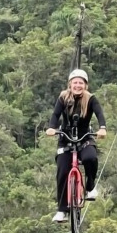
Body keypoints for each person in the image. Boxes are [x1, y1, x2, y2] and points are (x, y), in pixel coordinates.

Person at [46, 68, 107, 223]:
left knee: (90, 158)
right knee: (62, 171)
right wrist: (52, 127)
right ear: (70, 84)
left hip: (85, 137)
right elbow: (55, 115)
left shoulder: (90, 99)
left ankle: (90, 186)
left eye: (81, 83)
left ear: (85, 85)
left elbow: (99, 114)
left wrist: (102, 128)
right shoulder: (63, 98)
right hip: (65, 137)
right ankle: (62, 210)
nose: (78, 85)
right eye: (75, 82)